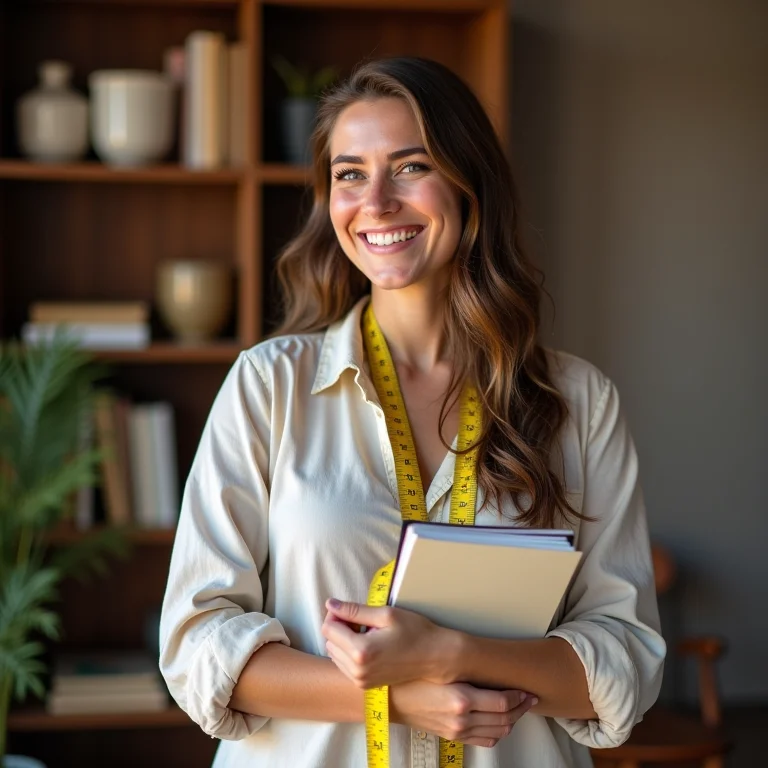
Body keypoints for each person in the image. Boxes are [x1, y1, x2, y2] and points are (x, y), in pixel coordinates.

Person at [159, 57, 665, 768]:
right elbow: (197, 644)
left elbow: (627, 657)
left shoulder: (579, 403)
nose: (376, 202)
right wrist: (395, 696)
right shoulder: (268, 386)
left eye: (410, 166)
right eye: (350, 174)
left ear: (469, 183)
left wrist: (453, 654)